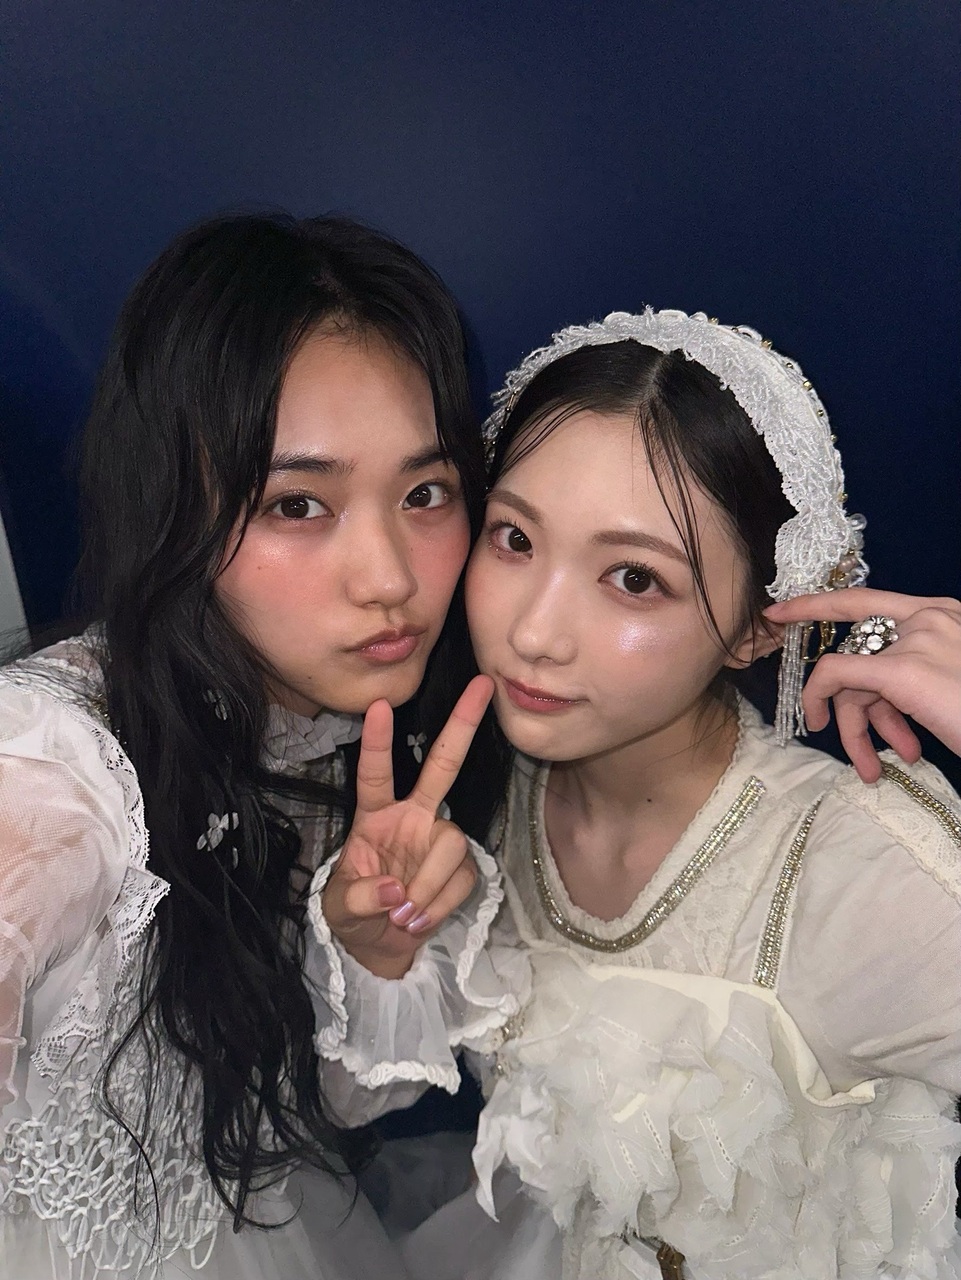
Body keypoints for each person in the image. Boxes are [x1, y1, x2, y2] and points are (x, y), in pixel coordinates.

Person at [315, 311, 961, 1279]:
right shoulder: (473, 794)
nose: (534, 632)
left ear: (756, 626)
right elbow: (348, 1104)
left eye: (632, 578)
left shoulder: (851, 868)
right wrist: (376, 953)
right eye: (513, 537)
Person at [0, 213, 508, 1279]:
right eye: (298, 504)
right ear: (174, 511)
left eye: (424, 493)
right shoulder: (55, 780)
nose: (388, 576)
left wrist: (367, 948)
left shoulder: (344, 735)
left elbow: (310, 1113)